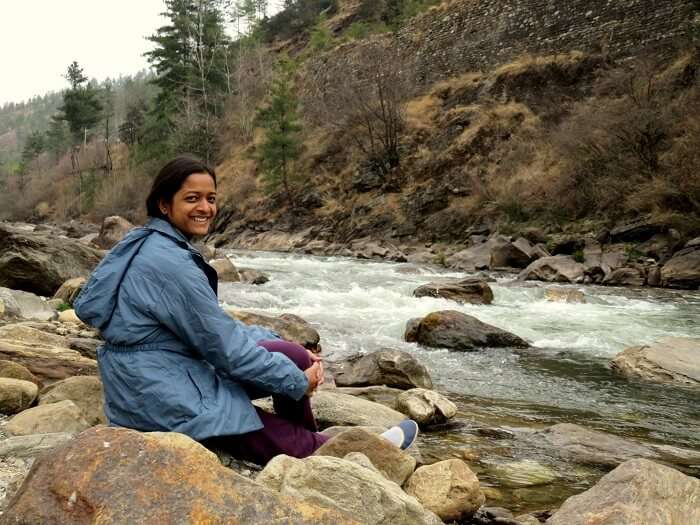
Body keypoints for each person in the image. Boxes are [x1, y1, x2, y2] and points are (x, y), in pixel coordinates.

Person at [74, 154, 417, 465]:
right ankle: (340, 453)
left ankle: (301, 440)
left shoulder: (157, 243)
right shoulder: (169, 264)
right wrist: (296, 383)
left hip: (168, 367)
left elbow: (217, 328)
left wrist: (289, 352)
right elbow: (224, 349)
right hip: (158, 394)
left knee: (292, 354)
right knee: (251, 421)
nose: (205, 208)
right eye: (192, 199)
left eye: (211, 198)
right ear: (165, 205)